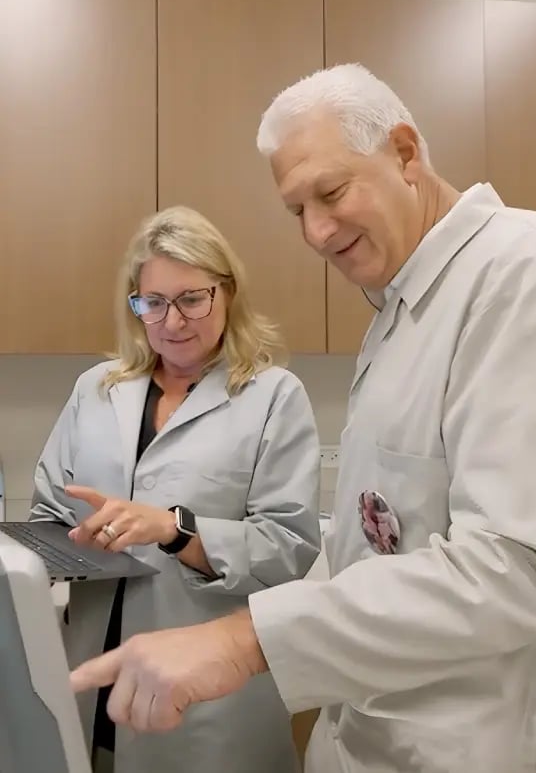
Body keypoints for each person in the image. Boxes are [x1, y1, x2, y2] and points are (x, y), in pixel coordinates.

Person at [69, 65, 536, 772]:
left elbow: (514, 567)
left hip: (491, 743)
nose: (315, 231)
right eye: (296, 210)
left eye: (332, 191)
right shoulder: (400, 314)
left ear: (404, 152)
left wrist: (240, 639)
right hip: (378, 734)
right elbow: (365, 551)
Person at [31, 205, 321, 773]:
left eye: (192, 299)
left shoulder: (272, 397)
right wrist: (58, 547)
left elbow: (288, 548)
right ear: (134, 304)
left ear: (227, 292)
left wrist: (174, 530)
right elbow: (47, 510)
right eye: (153, 302)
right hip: (96, 672)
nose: (173, 321)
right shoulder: (96, 389)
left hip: (209, 694)